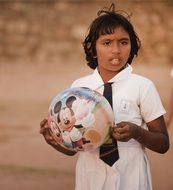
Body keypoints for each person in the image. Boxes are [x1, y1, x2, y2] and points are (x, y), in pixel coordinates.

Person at [40, 3, 169, 190]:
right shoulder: (79, 88)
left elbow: (163, 143)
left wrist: (137, 132)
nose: (116, 50)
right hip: (90, 176)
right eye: (107, 43)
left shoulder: (143, 86)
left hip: (131, 176)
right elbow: (73, 149)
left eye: (123, 42)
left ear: (132, 46)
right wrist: (53, 140)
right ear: (92, 48)